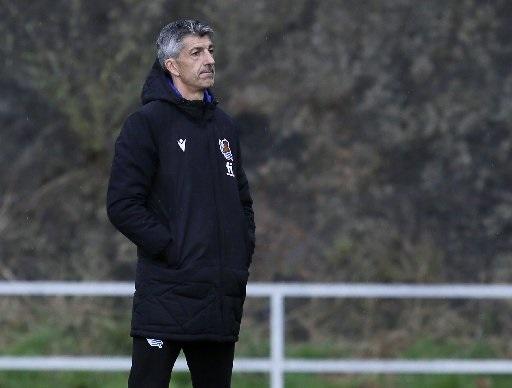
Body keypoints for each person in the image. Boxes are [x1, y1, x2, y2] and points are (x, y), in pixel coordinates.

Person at [106, 19, 255, 388]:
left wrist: (239, 251)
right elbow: (123, 204)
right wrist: (174, 249)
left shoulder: (225, 127)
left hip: (219, 296)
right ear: (172, 65)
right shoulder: (146, 124)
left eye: (211, 51)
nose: (209, 60)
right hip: (167, 293)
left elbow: (242, 202)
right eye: (196, 52)